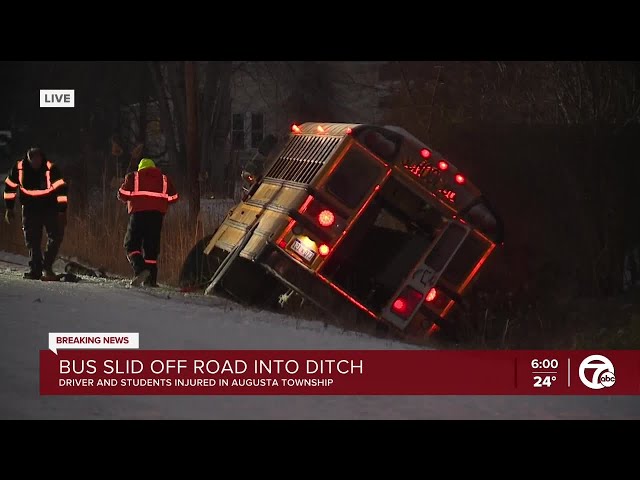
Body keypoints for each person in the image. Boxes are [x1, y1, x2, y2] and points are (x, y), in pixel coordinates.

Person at [3, 147, 68, 280]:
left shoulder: (51, 169)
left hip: (50, 207)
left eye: (38, 160)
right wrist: (9, 208)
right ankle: (35, 269)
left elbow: (62, 191)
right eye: (34, 160)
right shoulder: (19, 168)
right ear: (28, 159)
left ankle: (47, 266)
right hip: (29, 208)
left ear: (41, 158)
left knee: (55, 236)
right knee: (32, 240)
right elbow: (10, 188)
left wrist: (62, 211)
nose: (36, 163)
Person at [117, 158, 179, 287]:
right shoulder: (164, 179)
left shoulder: (133, 177)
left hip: (138, 214)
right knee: (151, 248)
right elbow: (174, 198)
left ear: (141, 168)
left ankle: (140, 269)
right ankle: (151, 280)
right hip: (157, 216)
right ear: (154, 168)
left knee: (131, 244)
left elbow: (122, 194)